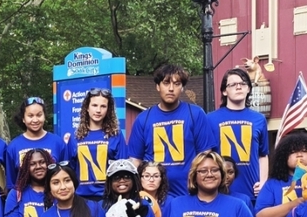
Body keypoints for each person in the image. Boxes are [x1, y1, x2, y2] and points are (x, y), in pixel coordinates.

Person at [127, 64, 217, 198]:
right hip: (153, 196)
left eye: (176, 83)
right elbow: (135, 161)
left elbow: (205, 155)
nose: (171, 88)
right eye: (166, 83)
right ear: (158, 86)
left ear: (182, 88)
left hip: (188, 194)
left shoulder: (196, 114)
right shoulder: (143, 119)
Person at [207, 68, 269, 204]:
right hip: (219, 192)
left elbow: (263, 155)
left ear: (248, 89)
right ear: (224, 91)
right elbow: (206, 155)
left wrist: (263, 181)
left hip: (252, 192)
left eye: (243, 83)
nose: (239, 87)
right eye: (233, 84)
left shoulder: (259, 119)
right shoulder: (210, 119)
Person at [66, 88, 127, 202]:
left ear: (108, 109)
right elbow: (69, 172)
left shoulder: (115, 135)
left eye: (103, 106)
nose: (98, 110)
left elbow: (123, 168)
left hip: (109, 199)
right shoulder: (75, 138)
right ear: (87, 108)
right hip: (81, 200)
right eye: (94, 105)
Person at [6, 97, 70, 187]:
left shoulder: (58, 143)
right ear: (23, 118)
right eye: (30, 116)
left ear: (44, 116)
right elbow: (12, 183)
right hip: (25, 199)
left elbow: (67, 176)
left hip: (54, 198)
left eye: (39, 115)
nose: (35, 120)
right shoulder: (13, 146)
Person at [5, 148, 52, 217]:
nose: (38, 167)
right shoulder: (16, 194)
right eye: (32, 164)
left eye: (42, 162)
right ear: (26, 168)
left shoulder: (57, 190)